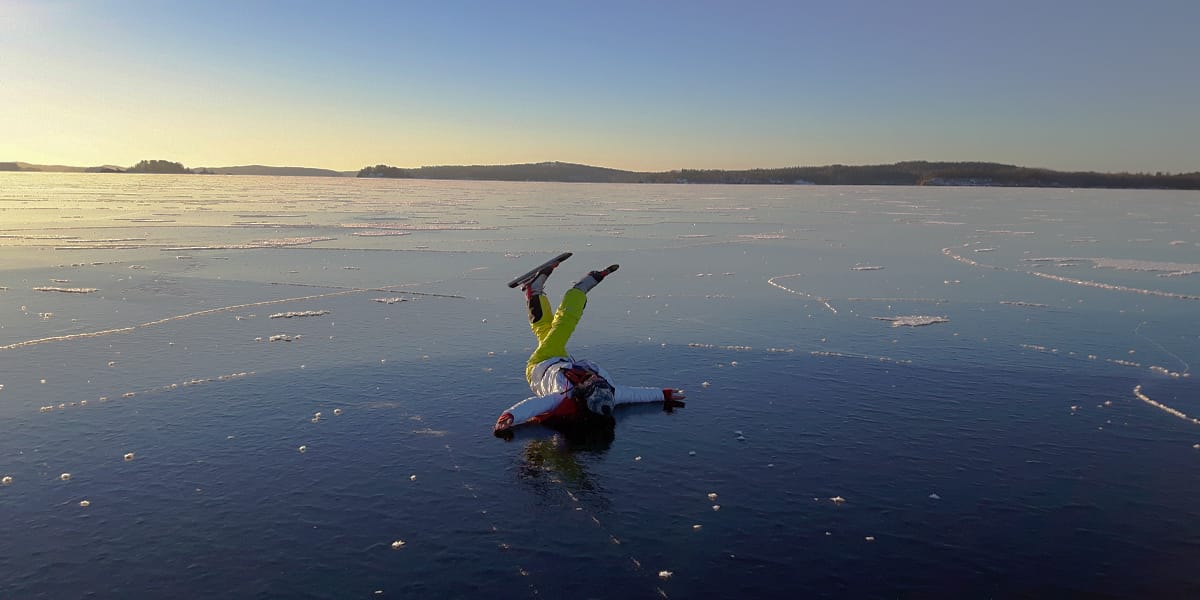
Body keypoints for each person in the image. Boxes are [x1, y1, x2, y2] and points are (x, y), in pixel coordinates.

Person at [494, 260, 685, 436]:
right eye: (599, 383)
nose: (594, 378)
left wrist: (509, 416)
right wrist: (664, 394)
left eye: (592, 384)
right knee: (547, 330)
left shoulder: (562, 396)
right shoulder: (610, 392)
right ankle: (532, 291)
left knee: (564, 324)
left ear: (583, 394)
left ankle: (579, 290)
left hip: (540, 364)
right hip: (561, 360)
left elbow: (533, 406)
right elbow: (635, 394)